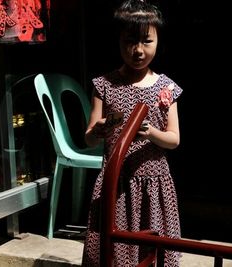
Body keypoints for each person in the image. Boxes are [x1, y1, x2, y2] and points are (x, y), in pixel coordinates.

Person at [82, 0, 182, 266]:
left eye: (146, 41)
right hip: (116, 183)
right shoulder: (103, 85)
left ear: (158, 40)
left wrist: (150, 132)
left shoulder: (167, 87)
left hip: (154, 185)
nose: (138, 50)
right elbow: (89, 138)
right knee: (112, 253)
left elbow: (174, 139)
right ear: (118, 40)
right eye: (130, 41)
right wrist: (99, 130)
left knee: (152, 253)